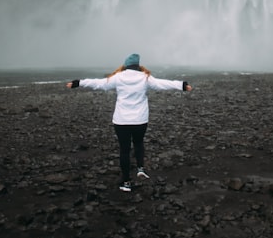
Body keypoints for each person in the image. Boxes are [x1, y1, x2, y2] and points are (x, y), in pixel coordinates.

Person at [66, 53, 192, 192]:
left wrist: (78, 83)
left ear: (126, 65)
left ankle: (126, 182)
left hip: (121, 121)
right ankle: (140, 169)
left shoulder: (118, 77)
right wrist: (182, 85)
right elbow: (162, 84)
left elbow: (99, 84)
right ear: (138, 66)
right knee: (138, 143)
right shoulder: (145, 77)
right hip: (140, 120)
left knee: (124, 150)